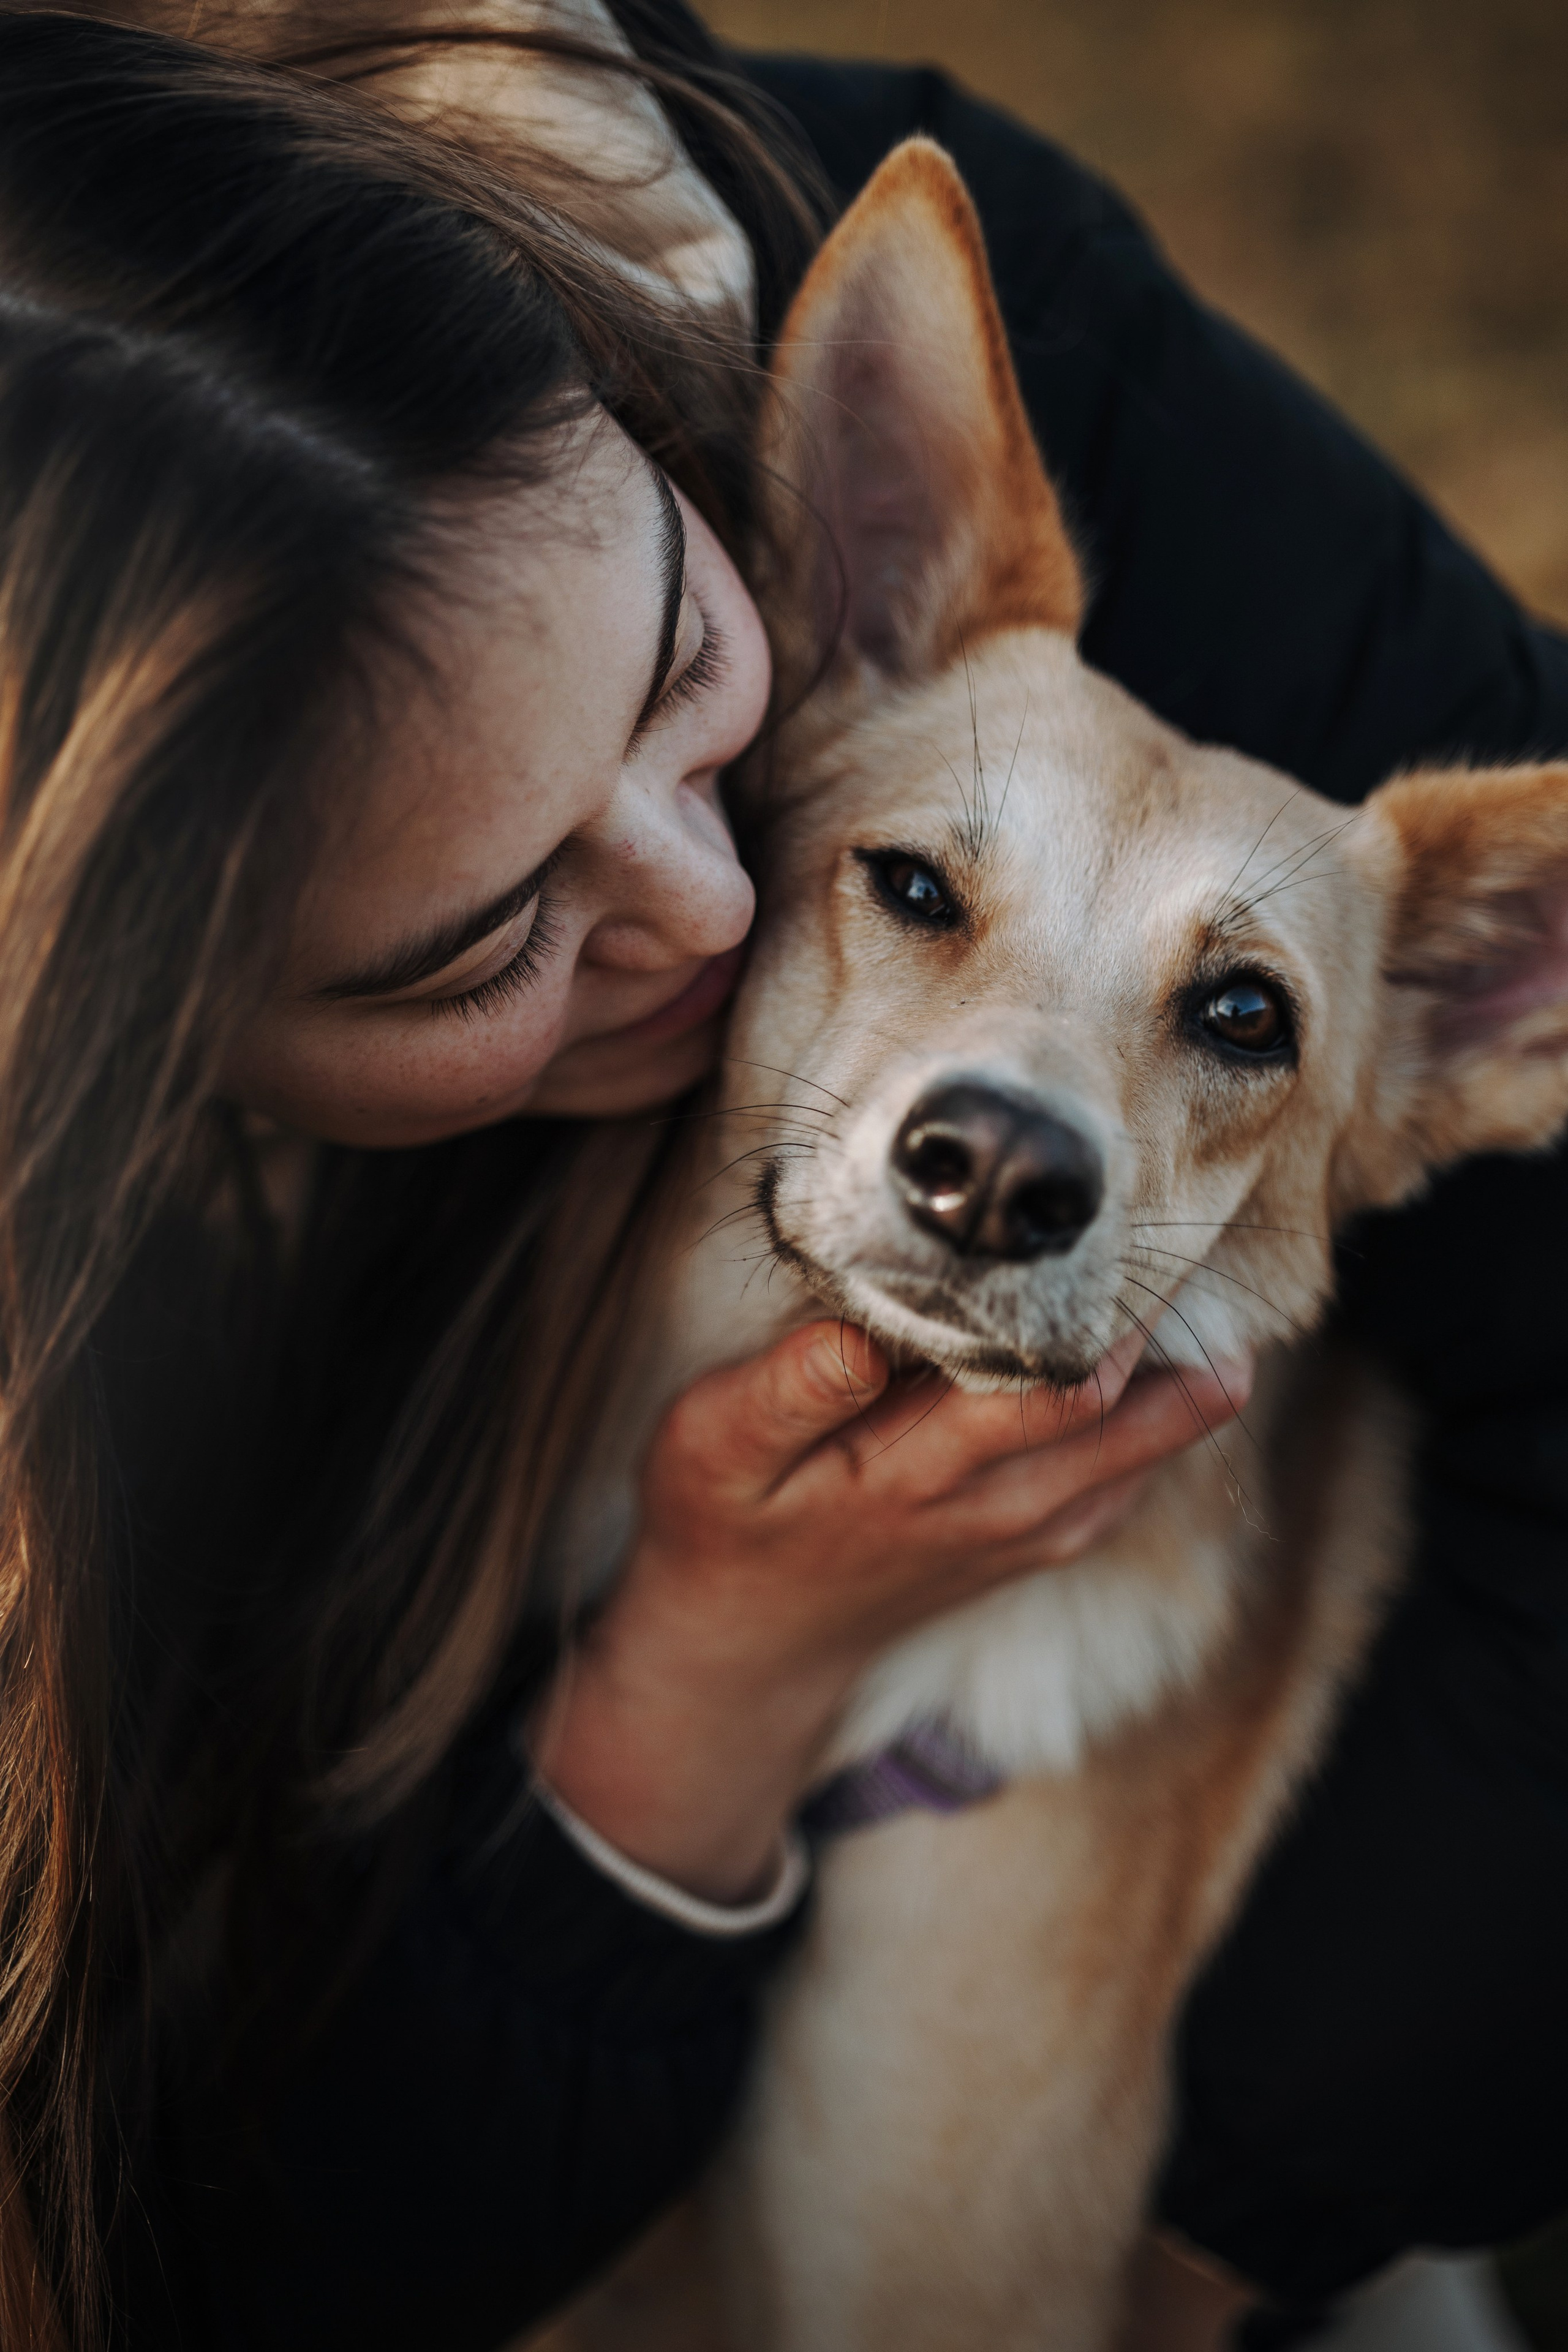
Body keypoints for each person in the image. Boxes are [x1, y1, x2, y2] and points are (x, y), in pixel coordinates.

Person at [0, 9, 1561, 2352]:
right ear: (154, 1083)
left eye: (677, 670)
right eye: (485, 938)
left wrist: (1223, 2221)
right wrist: (700, 1681)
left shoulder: (899, 400)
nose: (731, 908)